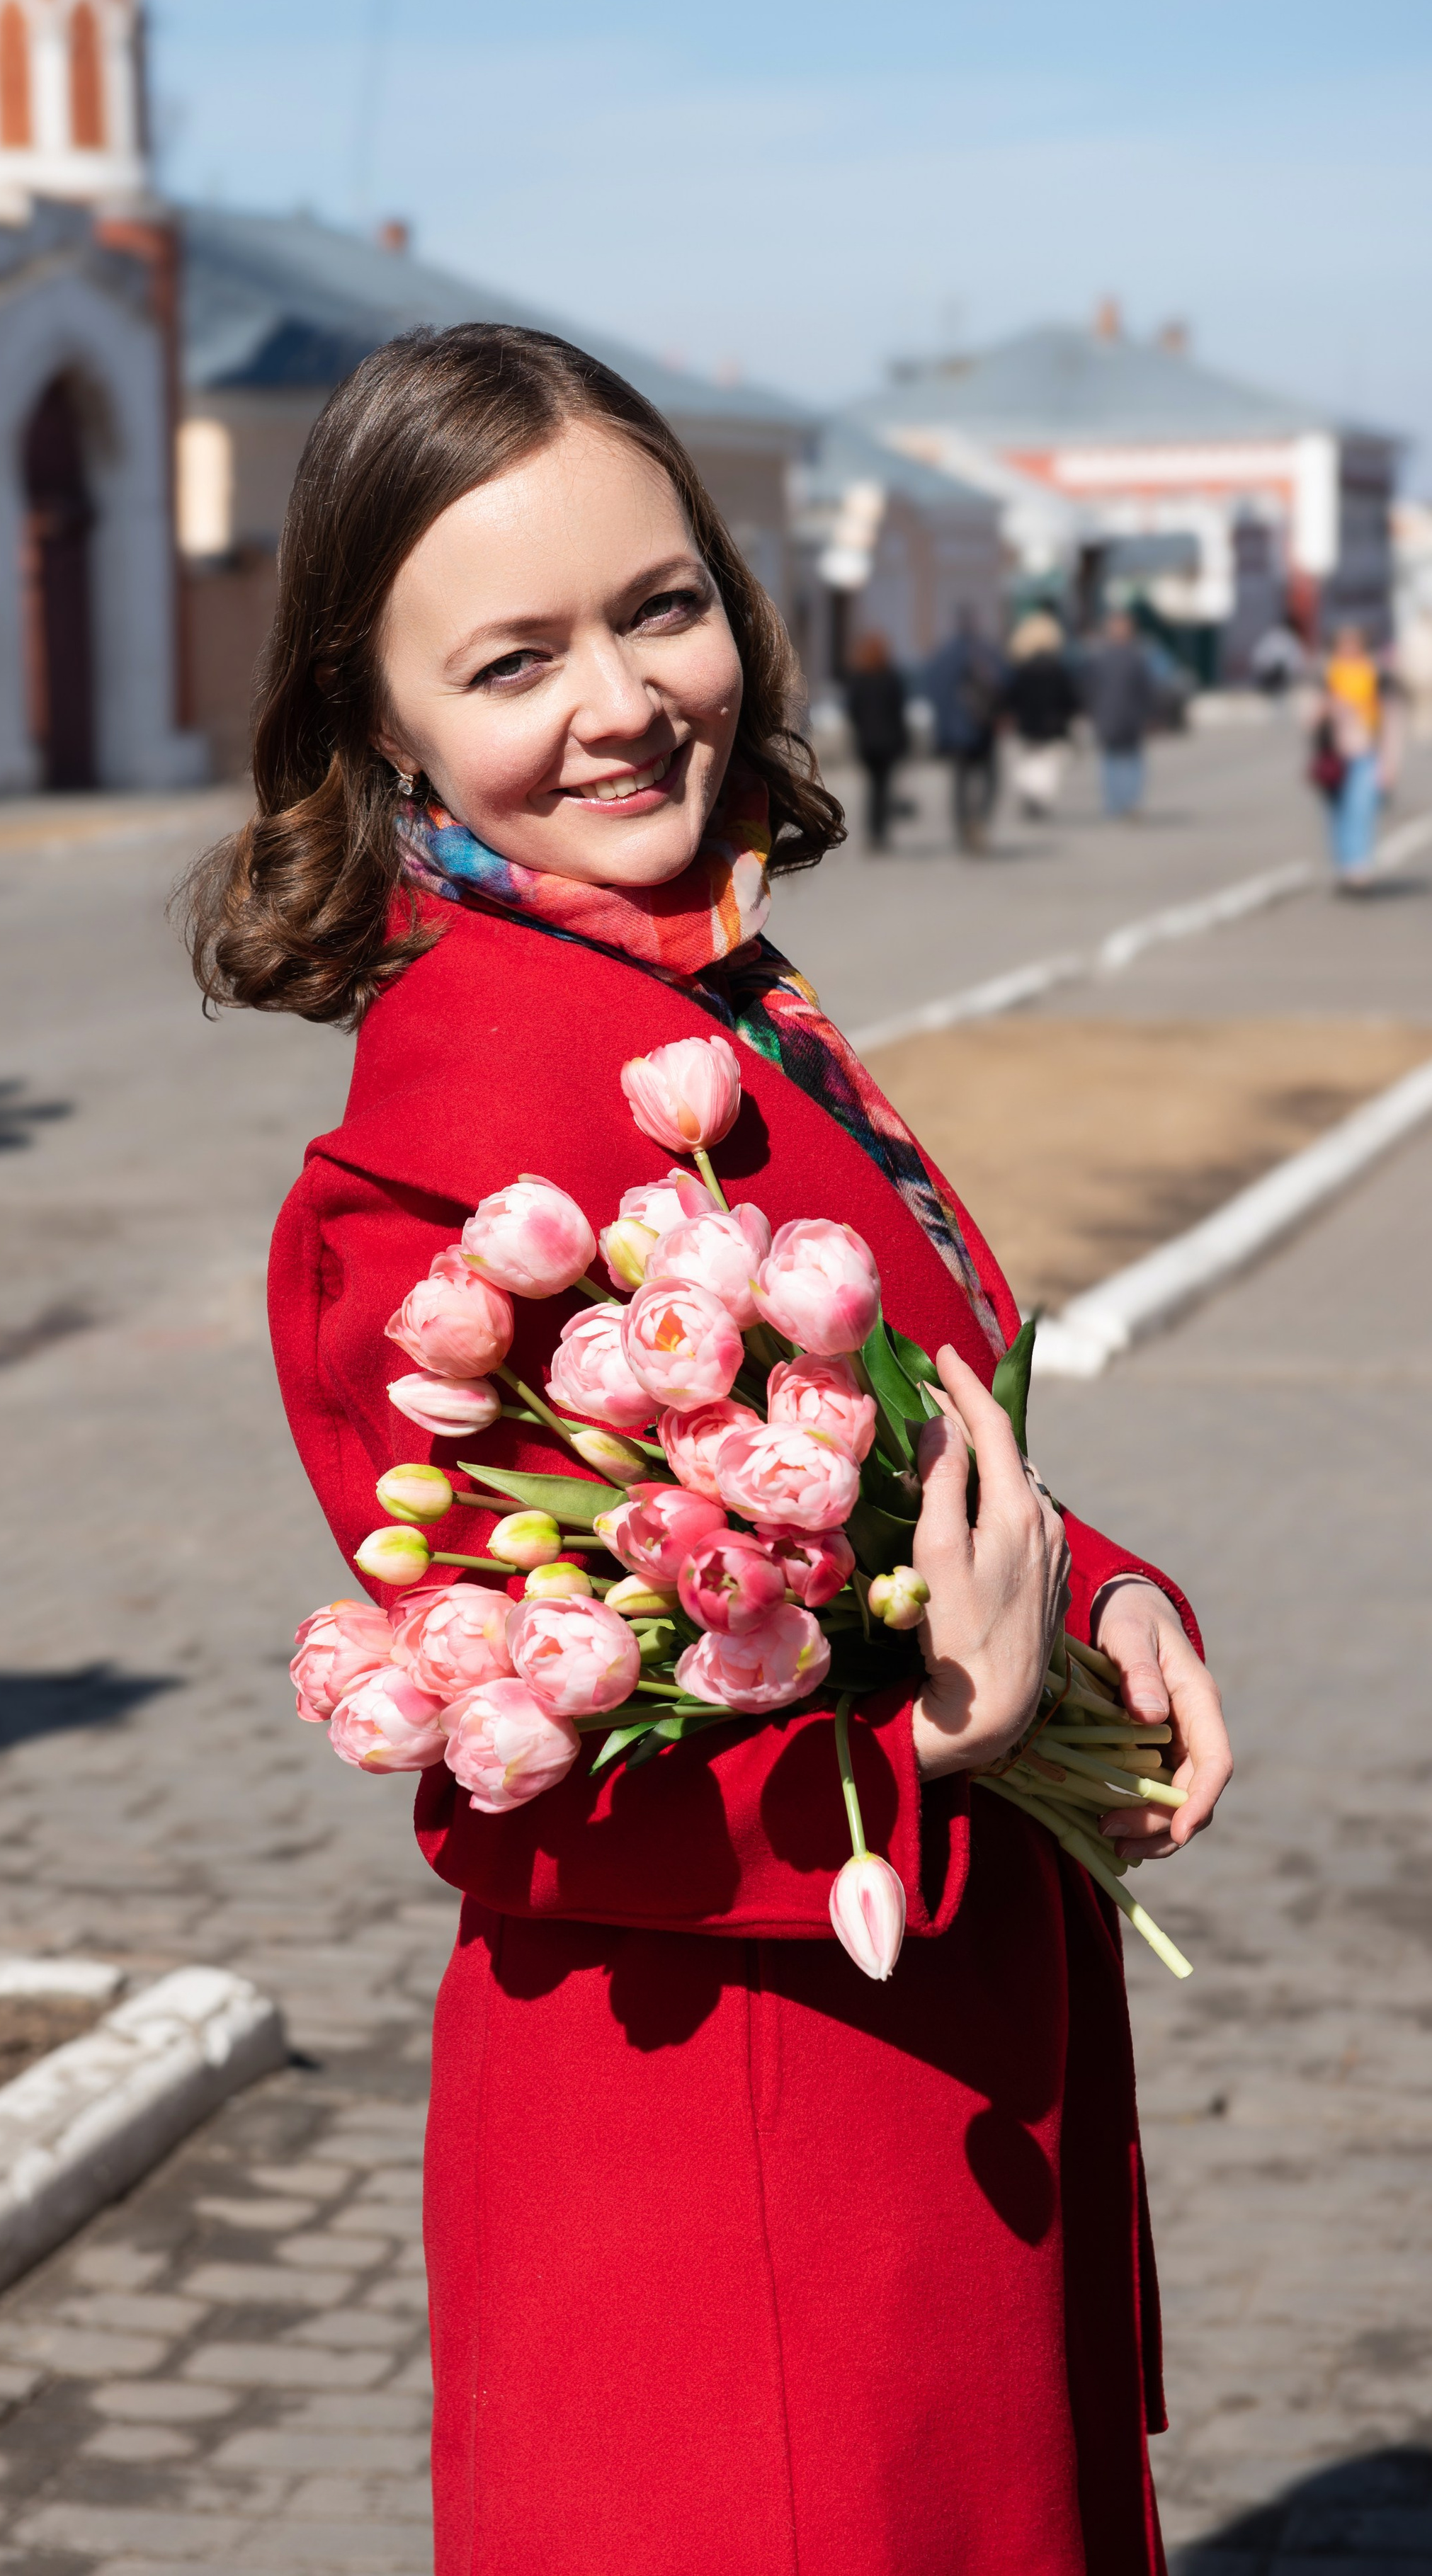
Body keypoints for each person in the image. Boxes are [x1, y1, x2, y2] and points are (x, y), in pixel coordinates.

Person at [183, 324, 1233, 2575]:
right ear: (375, 719)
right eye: (513, 657)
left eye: (660, 610)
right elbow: (531, 1773)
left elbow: (889, 1452)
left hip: (928, 2095)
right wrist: (920, 1749)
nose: (623, 701)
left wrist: (1101, 1590)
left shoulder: (711, 997)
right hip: (739, 2177)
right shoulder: (442, 1160)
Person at [919, 606, 1003, 852]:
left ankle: (963, 826)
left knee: (960, 782)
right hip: (983, 727)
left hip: (955, 733)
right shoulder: (985, 651)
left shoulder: (944, 654)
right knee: (990, 778)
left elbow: (931, 689)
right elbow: (1006, 680)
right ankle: (979, 820)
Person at [1312, 624, 1386, 893]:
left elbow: (1388, 718)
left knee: (1362, 810)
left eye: (1354, 643)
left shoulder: (1374, 673)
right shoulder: (1328, 674)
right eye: (1344, 644)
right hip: (1334, 754)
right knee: (1338, 812)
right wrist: (1331, 707)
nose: (1349, 649)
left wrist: (1389, 763)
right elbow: (1312, 717)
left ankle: (1359, 867)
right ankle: (1345, 866)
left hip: (1365, 751)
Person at [998, 608, 1081, 819]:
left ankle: (1032, 797)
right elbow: (1070, 699)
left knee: (1031, 762)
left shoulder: (1022, 669)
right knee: (1048, 765)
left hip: (1028, 726)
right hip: (1053, 725)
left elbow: (1011, 698)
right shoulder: (1057, 669)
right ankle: (1039, 799)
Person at [841, 630, 912, 849]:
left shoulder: (859, 679)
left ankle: (872, 831)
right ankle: (881, 833)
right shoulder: (891, 678)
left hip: (867, 742)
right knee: (884, 787)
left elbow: (852, 710)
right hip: (889, 741)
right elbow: (900, 710)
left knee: (872, 787)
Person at [1084, 610, 1159, 819]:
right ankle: (1122, 803)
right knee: (1119, 761)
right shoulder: (1133, 656)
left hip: (1120, 717)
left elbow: (1146, 689)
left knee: (1122, 761)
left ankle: (1123, 803)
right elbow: (1090, 688)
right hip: (1120, 717)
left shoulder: (1108, 656)